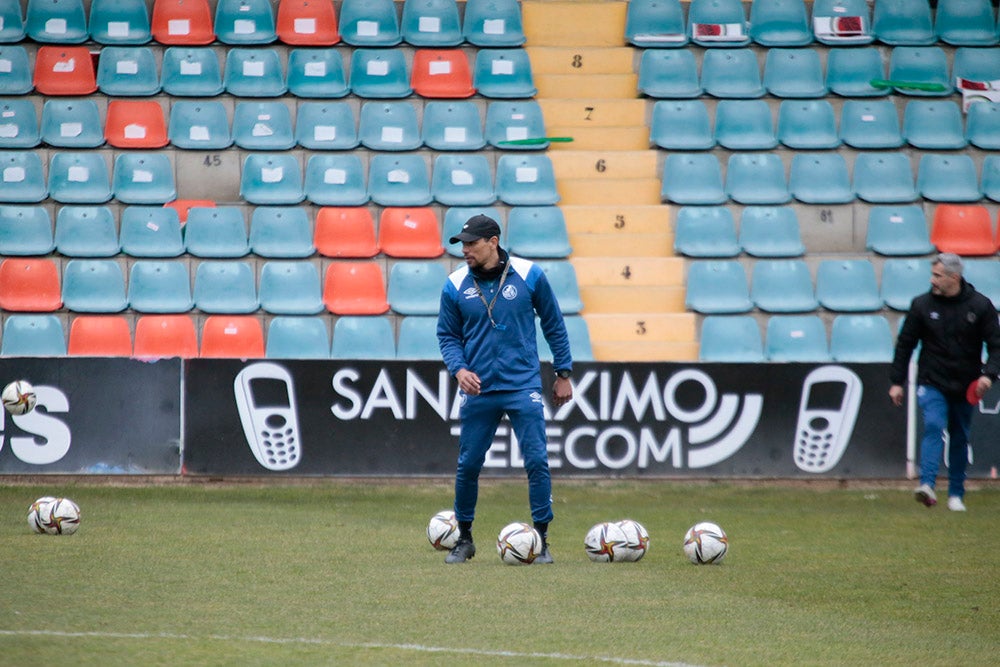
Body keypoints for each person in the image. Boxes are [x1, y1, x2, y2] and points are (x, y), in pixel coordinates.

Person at [437, 214, 573, 564]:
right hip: (478, 389)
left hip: (522, 384)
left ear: (493, 242)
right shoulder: (454, 284)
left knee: (537, 461)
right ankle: (464, 539)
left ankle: (541, 540)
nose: (465, 249)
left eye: (471, 243)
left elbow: (554, 324)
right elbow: (448, 336)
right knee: (468, 465)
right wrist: (459, 369)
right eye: (462, 244)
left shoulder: (530, 276)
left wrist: (563, 372)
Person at [889, 253, 1000, 512]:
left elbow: (997, 347)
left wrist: (988, 375)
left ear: (955, 277)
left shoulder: (980, 306)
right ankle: (927, 484)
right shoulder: (921, 305)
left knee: (959, 436)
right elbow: (905, 345)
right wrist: (897, 381)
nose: (932, 280)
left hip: (966, 383)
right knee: (933, 424)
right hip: (932, 380)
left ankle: (956, 494)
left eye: (938, 276)